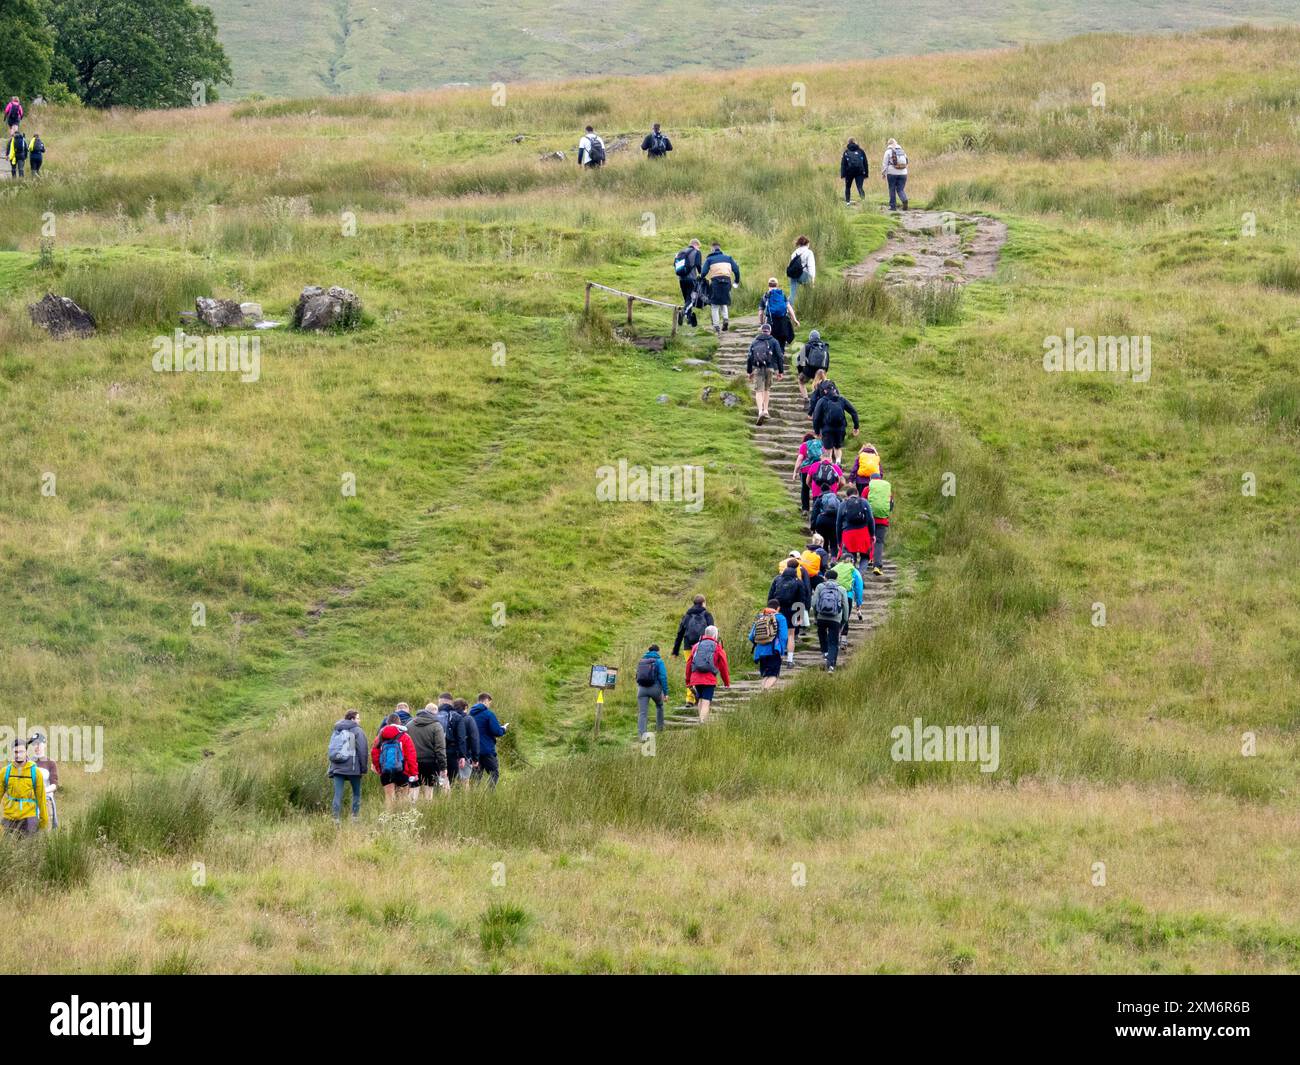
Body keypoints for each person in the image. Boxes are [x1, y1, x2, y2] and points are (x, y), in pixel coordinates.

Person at [327, 709, 369, 822]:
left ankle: (335, 818)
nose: (360, 720)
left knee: (337, 794)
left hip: (337, 766)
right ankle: (355, 817)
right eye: (358, 718)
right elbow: (362, 750)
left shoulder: (337, 729)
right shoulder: (357, 730)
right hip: (353, 768)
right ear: (352, 719)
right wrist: (363, 768)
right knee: (356, 792)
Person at [2, 738, 48, 835]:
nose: (18, 755)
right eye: (16, 752)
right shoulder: (5, 772)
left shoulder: (35, 772)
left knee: (29, 848)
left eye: (21, 751)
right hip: (9, 816)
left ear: (26, 752)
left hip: (29, 818)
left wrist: (44, 822)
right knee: (7, 848)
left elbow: (41, 799)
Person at [768, 559, 810, 665]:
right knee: (791, 635)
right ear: (797, 568)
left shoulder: (777, 579)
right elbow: (801, 600)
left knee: (777, 634)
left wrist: (769, 610)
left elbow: (770, 596)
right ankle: (790, 660)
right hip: (793, 610)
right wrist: (800, 616)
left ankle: (777, 657)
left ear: (786, 566)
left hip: (778, 609)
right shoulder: (798, 582)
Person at [371, 714, 418, 807]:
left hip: (386, 771)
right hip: (402, 771)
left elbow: (374, 754)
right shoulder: (405, 736)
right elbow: (411, 756)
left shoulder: (380, 737)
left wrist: (379, 769)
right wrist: (413, 773)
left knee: (389, 798)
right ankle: (402, 819)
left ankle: (388, 819)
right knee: (403, 798)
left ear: (387, 722)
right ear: (399, 722)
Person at [685, 624, 730, 722]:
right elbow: (723, 666)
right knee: (706, 701)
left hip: (696, 678)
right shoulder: (717, 647)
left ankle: (701, 720)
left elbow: (689, 663)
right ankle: (702, 722)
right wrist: (726, 682)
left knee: (700, 699)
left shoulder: (696, 646)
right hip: (709, 679)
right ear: (715, 635)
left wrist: (688, 680)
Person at [811, 383, 860, 465]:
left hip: (827, 429)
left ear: (825, 390)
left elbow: (816, 417)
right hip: (840, 428)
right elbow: (853, 412)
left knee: (828, 449)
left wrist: (816, 431)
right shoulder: (841, 399)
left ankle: (828, 466)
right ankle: (838, 463)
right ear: (834, 389)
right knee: (838, 447)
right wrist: (856, 427)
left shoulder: (822, 401)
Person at [747, 322, 784, 425]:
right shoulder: (774, 341)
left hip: (758, 368)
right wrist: (780, 371)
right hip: (770, 368)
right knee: (767, 389)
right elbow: (780, 356)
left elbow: (749, 357)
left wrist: (749, 371)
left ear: (761, 330)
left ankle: (760, 411)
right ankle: (766, 411)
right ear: (770, 331)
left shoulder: (755, 342)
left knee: (759, 390)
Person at [409, 703, 449, 799]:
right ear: (436, 713)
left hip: (413, 763)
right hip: (430, 763)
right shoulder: (436, 726)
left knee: (413, 790)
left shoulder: (409, 724)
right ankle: (427, 811)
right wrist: (443, 767)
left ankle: (411, 812)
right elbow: (440, 748)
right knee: (429, 792)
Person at [748, 599, 789, 690]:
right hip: (774, 651)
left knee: (765, 675)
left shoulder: (761, 617)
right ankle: (764, 691)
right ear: (778, 608)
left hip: (761, 652)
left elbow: (751, 636)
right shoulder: (780, 618)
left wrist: (760, 643)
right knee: (773, 675)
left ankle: (762, 693)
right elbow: (784, 637)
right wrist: (781, 651)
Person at [811, 574, 849, 671]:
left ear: (826, 577)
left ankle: (825, 652)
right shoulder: (841, 589)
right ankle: (831, 665)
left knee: (821, 634)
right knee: (833, 642)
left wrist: (816, 616)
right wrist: (844, 621)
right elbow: (845, 607)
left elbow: (814, 603)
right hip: (835, 619)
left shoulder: (820, 586)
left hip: (821, 617)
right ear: (837, 578)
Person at [837, 483, 877, 577]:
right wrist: (872, 534)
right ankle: (860, 574)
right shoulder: (864, 502)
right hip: (863, 533)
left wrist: (839, 541)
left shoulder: (843, 504)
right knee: (865, 556)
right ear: (857, 493)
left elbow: (838, 524)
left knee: (850, 556)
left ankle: (853, 576)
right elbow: (870, 519)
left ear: (847, 495)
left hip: (848, 534)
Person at [702, 241, 741, 335]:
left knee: (714, 305)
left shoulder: (709, 259)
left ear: (712, 249)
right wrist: (736, 281)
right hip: (727, 281)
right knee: (724, 302)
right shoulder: (728, 258)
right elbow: (736, 270)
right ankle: (726, 319)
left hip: (716, 282)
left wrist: (702, 278)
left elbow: (703, 272)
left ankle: (716, 326)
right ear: (720, 248)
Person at [469, 694, 507, 788]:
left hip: (473, 751)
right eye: (489, 703)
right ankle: (489, 795)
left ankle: (473, 796)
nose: (489, 705)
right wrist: (503, 729)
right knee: (494, 772)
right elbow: (496, 731)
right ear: (486, 701)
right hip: (487, 750)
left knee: (476, 775)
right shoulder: (489, 714)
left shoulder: (470, 715)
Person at [634, 644, 670, 737]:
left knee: (642, 713)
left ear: (648, 651)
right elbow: (663, 677)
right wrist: (665, 693)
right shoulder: (659, 661)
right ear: (657, 651)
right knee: (659, 706)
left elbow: (637, 676)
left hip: (642, 689)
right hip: (655, 689)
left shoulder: (641, 661)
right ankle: (660, 730)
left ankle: (642, 735)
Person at [26, 732, 58, 830]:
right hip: (30, 802)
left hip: (46, 801)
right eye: (34, 744)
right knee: (30, 833)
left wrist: (42, 791)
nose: (36, 747)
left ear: (45, 744)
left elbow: (54, 785)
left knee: (45, 833)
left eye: (38, 744)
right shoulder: (29, 763)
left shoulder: (51, 763)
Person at [446, 699, 480, 785]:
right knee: (464, 782)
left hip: (449, 754)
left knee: (450, 781)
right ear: (465, 707)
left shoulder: (449, 718)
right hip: (465, 755)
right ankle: (465, 798)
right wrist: (475, 758)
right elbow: (474, 739)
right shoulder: (468, 719)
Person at [866, 474, 894, 576]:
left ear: (870, 479)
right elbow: (890, 505)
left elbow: (863, 502)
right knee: (879, 542)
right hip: (882, 520)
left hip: (870, 519)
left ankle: (869, 559)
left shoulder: (867, 489)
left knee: (869, 538)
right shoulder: (886, 490)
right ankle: (877, 566)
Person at [760, 277, 799, 348]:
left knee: (771, 345)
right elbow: (789, 308)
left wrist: (762, 323)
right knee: (781, 344)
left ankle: (772, 357)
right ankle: (781, 355)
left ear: (768, 285)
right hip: (782, 323)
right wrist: (794, 319)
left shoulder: (765, 296)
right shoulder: (782, 294)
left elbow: (761, 313)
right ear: (777, 285)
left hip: (771, 322)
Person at [830, 552, 865, 628]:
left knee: (834, 618)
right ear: (852, 561)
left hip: (832, 595)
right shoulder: (854, 570)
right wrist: (858, 603)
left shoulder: (834, 568)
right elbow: (859, 588)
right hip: (847, 596)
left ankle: (833, 634)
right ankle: (843, 637)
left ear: (841, 560)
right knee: (845, 618)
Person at [674, 238, 704, 327]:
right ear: (696, 245)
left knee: (687, 299)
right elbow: (698, 265)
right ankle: (683, 312)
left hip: (681, 279)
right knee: (692, 299)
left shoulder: (680, 252)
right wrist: (701, 274)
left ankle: (689, 319)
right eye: (699, 247)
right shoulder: (696, 252)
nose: (699, 249)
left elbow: (675, 265)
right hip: (692, 279)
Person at [792, 433, 821, 514]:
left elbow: (800, 458)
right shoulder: (819, 444)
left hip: (806, 470)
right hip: (818, 469)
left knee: (805, 489)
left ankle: (805, 509)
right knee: (819, 489)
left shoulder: (804, 445)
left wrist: (795, 472)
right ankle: (818, 509)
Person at [796, 330, 829, 403]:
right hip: (821, 371)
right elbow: (827, 361)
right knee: (819, 385)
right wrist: (824, 372)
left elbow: (800, 360)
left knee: (801, 382)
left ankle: (806, 399)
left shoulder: (807, 345)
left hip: (809, 370)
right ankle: (819, 400)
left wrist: (800, 371)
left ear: (810, 337)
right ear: (819, 337)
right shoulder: (824, 347)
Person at [811, 484, 842, 557]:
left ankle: (824, 559)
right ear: (830, 489)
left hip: (822, 521)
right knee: (834, 542)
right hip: (835, 521)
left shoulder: (820, 498)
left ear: (821, 490)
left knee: (823, 541)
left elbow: (815, 513)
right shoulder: (837, 498)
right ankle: (833, 559)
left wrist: (813, 526)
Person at [786, 236, 816, 305]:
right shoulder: (809, 252)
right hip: (803, 275)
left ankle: (790, 310)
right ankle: (808, 306)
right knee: (809, 292)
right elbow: (811, 267)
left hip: (793, 275)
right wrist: (812, 281)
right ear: (807, 243)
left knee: (793, 294)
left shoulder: (794, 253)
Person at [883, 137, 909, 211]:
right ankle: (904, 199)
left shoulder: (888, 151)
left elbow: (885, 163)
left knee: (892, 189)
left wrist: (883, 173)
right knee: (900, 189)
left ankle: (893, 207)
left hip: (892, 173)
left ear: (889, 144)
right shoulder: (902, 151)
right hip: (903, 173)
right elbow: (907, 161)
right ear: (896, 143)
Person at [840, 138, 868, 205]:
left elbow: (843, 164)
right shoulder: (861, 151)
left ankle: (847, 202)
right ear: (855, 142)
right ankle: (863, 200)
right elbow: (865, 163)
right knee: (860, 187)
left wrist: (843, 175)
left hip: (849, 173)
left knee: (848, 187)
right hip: (860, 172)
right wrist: (866, 174)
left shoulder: (846, 152)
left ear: (848, 142)